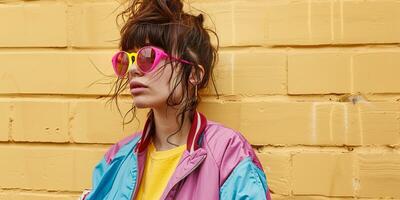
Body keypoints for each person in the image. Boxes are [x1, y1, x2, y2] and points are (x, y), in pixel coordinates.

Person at [80, 0, 272, 199]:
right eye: (128, 59)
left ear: (194, 74)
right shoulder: (116, 159)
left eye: (148, 56)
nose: (133, 69)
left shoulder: (228, 153)